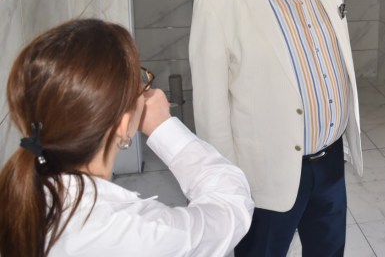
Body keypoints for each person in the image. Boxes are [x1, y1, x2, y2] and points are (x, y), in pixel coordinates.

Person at [189, 0, 363, 257]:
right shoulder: (217, 0)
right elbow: (210, 111)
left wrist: (343, 141)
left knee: (328, 251)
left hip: (330, 161)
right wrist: (229, 185)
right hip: (264, 173)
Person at [0, 19, 254, 257]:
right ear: (122, 124)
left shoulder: (22, 197)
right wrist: (164, 127)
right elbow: (231, 206)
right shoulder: (133, 233)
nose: (144, 88)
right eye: (139, 83)